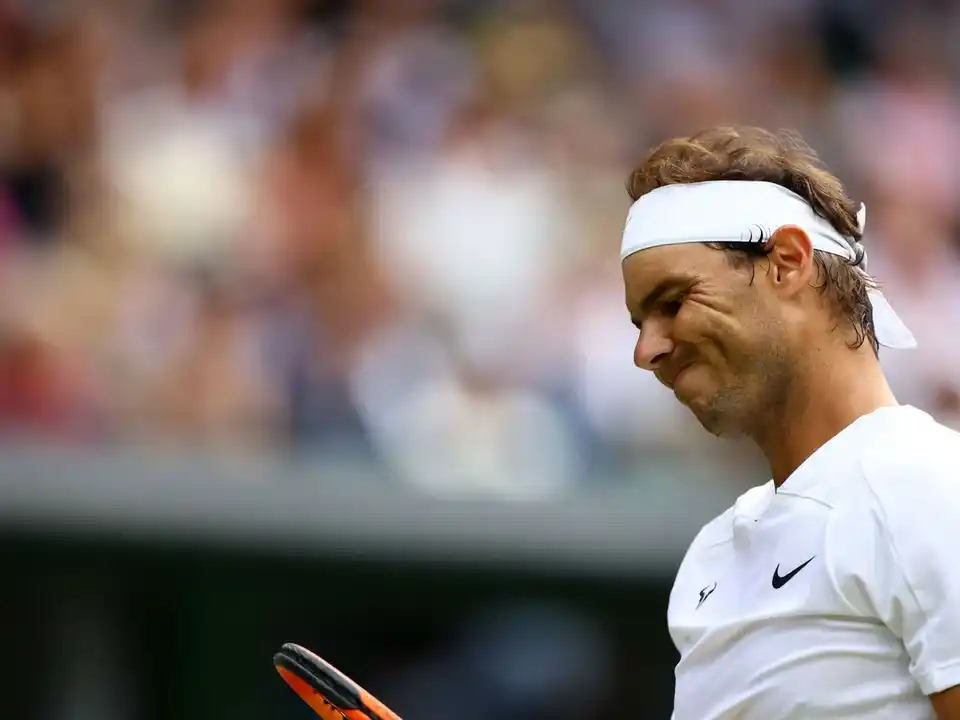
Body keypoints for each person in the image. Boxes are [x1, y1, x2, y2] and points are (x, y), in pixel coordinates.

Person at [619, 126, 960, 719]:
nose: (646, 350)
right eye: (638, 322)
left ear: (787, 263)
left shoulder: (928, 486)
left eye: (674, 301)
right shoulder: (712, 554)